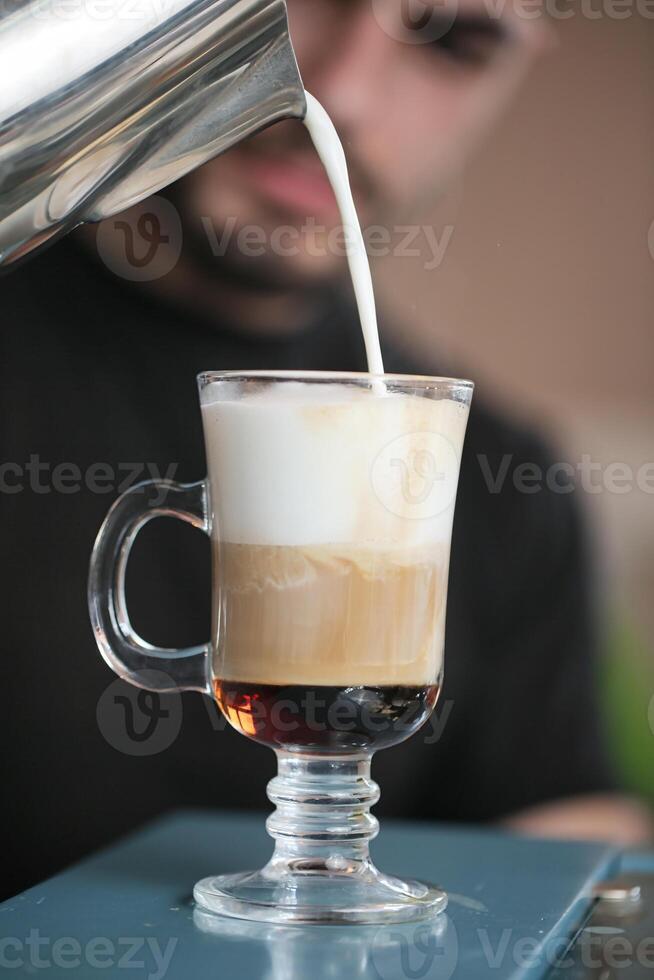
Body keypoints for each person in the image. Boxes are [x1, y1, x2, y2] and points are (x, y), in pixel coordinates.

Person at [0, 0, 649, 901]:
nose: (338, 91)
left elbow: (578, 842)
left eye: (454, 40)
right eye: (304, 1)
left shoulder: (508, 479)